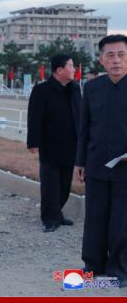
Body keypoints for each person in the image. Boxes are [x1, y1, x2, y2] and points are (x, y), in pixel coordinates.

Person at [75, 34, 127, 287]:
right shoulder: (92, 87)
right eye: (110, 55)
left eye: (121, 54)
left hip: (125, 169)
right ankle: (92, 265)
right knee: (95, 217)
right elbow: (84, 128)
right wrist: (80, 162)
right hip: (96, 164)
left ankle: (118, 269)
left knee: (121, 220)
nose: (116, 60)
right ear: (101, 59)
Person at [27, 54, 81, 232]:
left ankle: (58, 213)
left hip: (71, 144)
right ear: (59, 70)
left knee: (65, 183)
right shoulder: (42, 90)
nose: (74, 70)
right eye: (71, 66)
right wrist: (33, 142)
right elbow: (34, 117)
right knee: (50, 184)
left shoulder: (74, 89)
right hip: (50, 143)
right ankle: (49, 218)